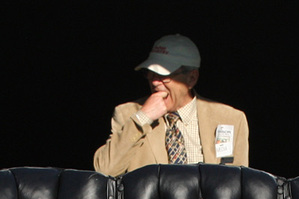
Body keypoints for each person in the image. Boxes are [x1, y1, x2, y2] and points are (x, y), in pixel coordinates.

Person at [92, 34, 249, 175]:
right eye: (150, 73)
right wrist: (142, 119)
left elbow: (238, 185)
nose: (154, 81)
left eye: (163, 75)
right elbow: (104, 171)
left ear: (191, 78)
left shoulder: (230, 119)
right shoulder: (128, 113)